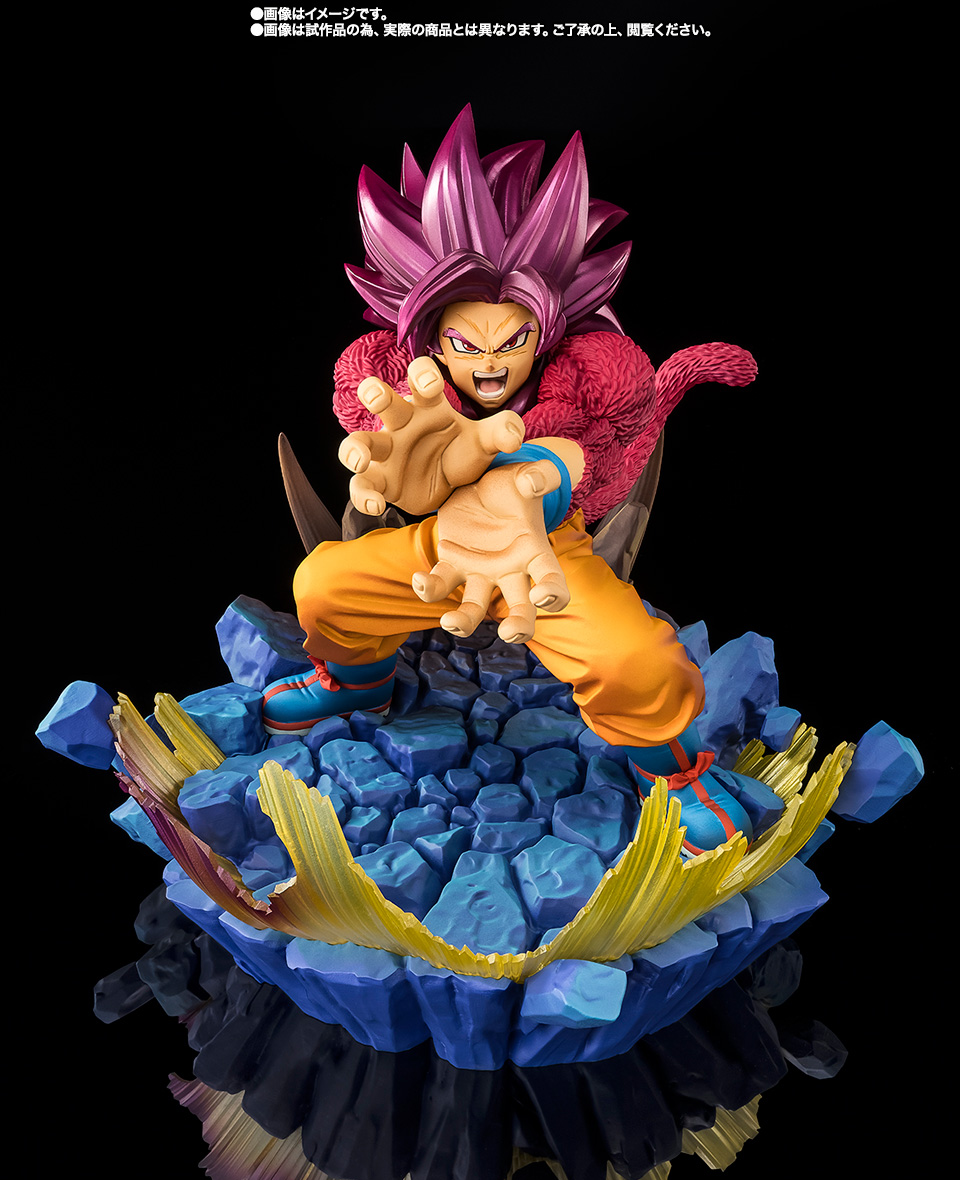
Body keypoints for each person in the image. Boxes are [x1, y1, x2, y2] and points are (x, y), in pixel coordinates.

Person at [262, 106, 759, 854]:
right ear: (432, 340)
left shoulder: (580, 377)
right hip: (441, 548)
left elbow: (574, 455)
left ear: (546, 331)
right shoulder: (410, 383)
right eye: (466, 343)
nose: (492, 363)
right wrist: (403, 473)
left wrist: (524, 482)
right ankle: (359, 683)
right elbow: (393, 457)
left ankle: (675, 772)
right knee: (325, 586)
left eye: (515, 339)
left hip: (547, 552)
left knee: (636, 662)